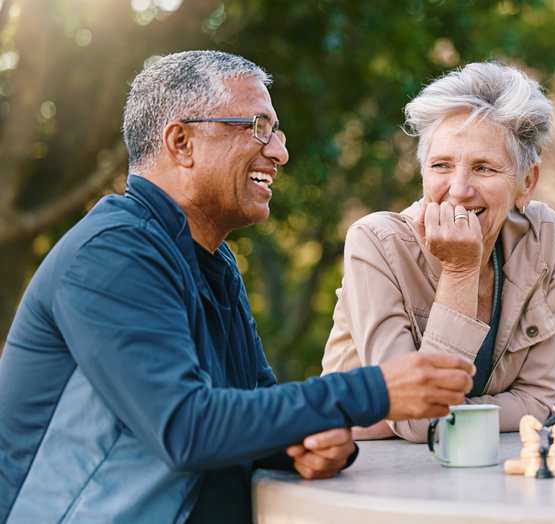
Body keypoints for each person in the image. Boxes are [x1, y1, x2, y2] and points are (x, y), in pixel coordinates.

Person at [0, 51, 476, 523]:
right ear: (182, 142)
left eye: (277, 132)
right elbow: (187, 428)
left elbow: (250, 404)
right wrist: (371, 390)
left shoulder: (211, 260)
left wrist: (302, 445)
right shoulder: (112, 253)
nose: (279, 152)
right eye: (257, 128)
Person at [322, 62, 555, 442]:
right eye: (441, 165)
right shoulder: (375, 242)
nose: (459, 189)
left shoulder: (543, 235)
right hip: (368, 473)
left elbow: (538, 400)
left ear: (526, 182)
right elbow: (420, 421)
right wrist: (460, 271)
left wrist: (437, 417)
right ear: (422, 171)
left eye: (484, 168)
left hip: (484, 466)